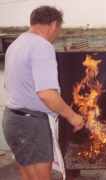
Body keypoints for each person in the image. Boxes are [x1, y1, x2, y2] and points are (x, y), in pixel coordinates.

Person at [2, 5, 84, 180]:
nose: (58, 34)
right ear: (54, 24)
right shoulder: (42, 47)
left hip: (12, 119)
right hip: (31, 125)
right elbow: (47, 94)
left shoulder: (17, 43)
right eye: (59, 29)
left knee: (28, 176)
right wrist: (72, 116)